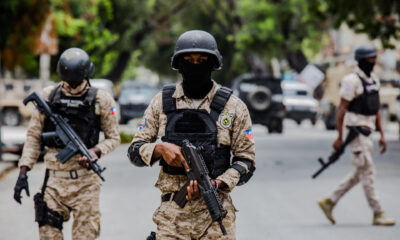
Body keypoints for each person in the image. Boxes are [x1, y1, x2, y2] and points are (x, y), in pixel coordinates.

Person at [128, 30, 256, 239]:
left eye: (202, 60)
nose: (195, 65)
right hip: (172, 217)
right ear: (179, 64)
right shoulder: (162, 102)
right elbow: (134, 151)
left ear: (213, 64)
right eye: (189, 60)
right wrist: (160, 149)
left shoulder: (234, 107)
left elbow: (247, 163)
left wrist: (217, 183)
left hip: (216, 215)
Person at [13, 48, 120, 239]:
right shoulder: (48, 96)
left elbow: (114, 138)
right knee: (48, 234)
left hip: (86, 184)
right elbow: (34, 137)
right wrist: (23, 171)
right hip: (54, 182)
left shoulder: (101, 99)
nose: (72, 86)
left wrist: (96, 150)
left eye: (76, 81)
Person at [318, 45, 395, 226]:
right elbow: (341, 109)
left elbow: (375, 108)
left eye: (373, 59)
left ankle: (330, 201)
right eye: (369, 59)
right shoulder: (351, 80)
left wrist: (382, 134)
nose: (372, 62)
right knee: (368, 171)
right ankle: (378, 213)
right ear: (361, 61)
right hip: (355, 131)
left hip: (368, 131)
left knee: (360, 171)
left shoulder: (373, 79)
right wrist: (339, 137)